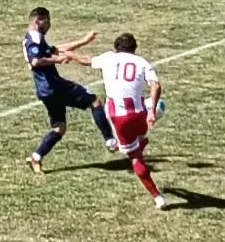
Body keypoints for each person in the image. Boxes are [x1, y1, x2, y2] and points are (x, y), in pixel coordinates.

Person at [66, 33, 166, 209]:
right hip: (140, 114)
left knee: (134, 157)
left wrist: (70, 55)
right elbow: (156, 86)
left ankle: (157, 197)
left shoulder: (109, 58)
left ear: (116, 48)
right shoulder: (142, 62)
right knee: (153, 112)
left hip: (119, 117)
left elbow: (86, 60)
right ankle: (141, 137)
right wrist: (151, 112)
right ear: (134, 48)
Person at [23, 7, 118, 174]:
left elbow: (57, 49)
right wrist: (58, 60)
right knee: (94, 101)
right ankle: (110, 140)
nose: (49, 25)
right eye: (47, 21)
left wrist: (84, 41)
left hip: (45, 91)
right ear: (37, 21)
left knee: (59, 127)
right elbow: (36, 61)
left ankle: (36, 157)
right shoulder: (35, 38)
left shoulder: (35, 38)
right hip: (54, 87)